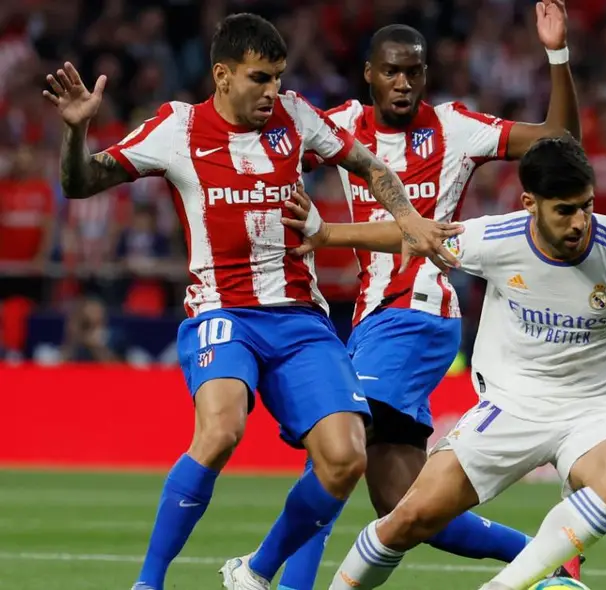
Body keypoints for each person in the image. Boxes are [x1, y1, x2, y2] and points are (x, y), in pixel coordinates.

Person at [41, 13, 457, 590]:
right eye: (260, 78)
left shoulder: (297, 117)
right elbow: (80, 183)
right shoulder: (176, 128)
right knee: (220, 431)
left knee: (345, 459)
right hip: (222, 311)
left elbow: (369, 164)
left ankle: (256, 571)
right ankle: (148, 583)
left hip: (300, 319)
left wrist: (408, 217)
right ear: (222, 75)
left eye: (279, 78)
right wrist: (76, 131)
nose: (272, 92)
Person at [282, 135, 606, 590]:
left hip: (597, 408)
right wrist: (327, 235)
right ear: (529, 203)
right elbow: (416, 233)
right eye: (565, 210)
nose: (580, 223)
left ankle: (503, 587)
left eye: (587, 206)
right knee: (407, 520)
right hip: (510, 405)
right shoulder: (497, 239)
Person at [273, 2, 584, 588]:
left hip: (419, 309)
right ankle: (545, 556)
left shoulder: (455, 128)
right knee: (404, 505)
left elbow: (559, 140)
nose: (403, 82)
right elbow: (270, 148)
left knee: (338, 448)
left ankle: (283, 583)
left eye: (414, 71)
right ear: (369, 74)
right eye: (391, 70)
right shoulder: (341, 125)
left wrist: (556, 54)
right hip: (371, 317)